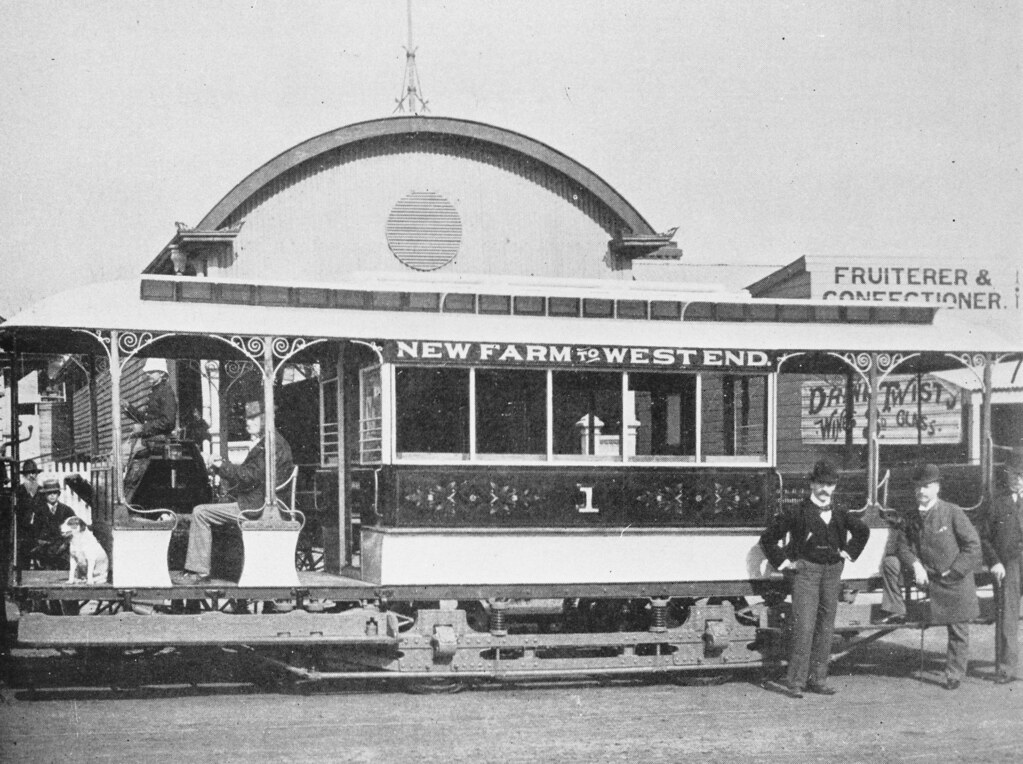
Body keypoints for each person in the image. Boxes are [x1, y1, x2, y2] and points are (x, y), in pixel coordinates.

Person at [759, 460, 870, 698]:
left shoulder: (840, 512)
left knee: (826, 627)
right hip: (806, 574)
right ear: (811, 484)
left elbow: (863, 532)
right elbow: (767, 539)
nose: (824, 489)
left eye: (829, 484)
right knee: (804, 626)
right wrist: (784, 563)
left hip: (832, 573)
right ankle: (796, 682)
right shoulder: (797, 511)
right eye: (820, 483)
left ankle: (818, 680)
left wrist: (848, 553)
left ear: (835, 487)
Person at [879, 463, 981, 690]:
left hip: (955, 580)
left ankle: (954, 674)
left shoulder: (952, 512)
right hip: (929, 579)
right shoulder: (911, 516)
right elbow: (903, 547)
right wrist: (916, 565)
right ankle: (897, 610)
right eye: (918, 487)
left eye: (926, 487)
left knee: (958, 630)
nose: (921, 492)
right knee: (891, 563)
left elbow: (973, 546)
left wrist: (955, 571)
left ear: (937, 488)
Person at [180, 400, 294, 583]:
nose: (247, 422)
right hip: (260, 502)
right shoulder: (272, 442)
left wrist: (222, 465)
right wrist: (223, 467)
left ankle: (198, 571)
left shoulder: (271, 445)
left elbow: (249, 476)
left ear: (265, 420)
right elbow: (252, 475)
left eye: (253, 418)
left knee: (200, 512)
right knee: (216, 506)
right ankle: (221, 569)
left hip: (257, 507)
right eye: (247, 418)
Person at [980, 450, 1023, 684]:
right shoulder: (996, 503)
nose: (1017, 479)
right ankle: (1007, 668)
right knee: (1007, 614)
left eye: (1021, 475)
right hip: (1009, 565)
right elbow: (985, 538)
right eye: (1014, 474)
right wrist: (995, 562)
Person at [23, 478, 78, 569]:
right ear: (45, 495)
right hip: (45, 550)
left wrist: (65, 544)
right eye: (49, 493)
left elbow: (74, 529)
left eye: (54, 493)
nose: (52, 495)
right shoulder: (39, 511)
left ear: (59, 494)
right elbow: (35, 532)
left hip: (63, 550)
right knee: (45, 572)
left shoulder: (67, 510)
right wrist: (40, 544)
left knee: (64, 570)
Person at [123, 357, 178, 443]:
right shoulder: (155, 390)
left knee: (124, 450)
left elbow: (168, 422)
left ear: (161, 373)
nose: (148, 374)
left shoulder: (166, 391)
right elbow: (147, 419)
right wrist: (129, 407)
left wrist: (143, 428)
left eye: (151, 372)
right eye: (147, 372)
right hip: (151, 439)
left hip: (160, 441)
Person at [14, 459, 46, 568]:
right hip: (23, 529)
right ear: (24, 475)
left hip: (38, 528)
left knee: (40, 557)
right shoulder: (19, 490)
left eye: (34, 473)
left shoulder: (41, 490)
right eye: (28, 473)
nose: (32, 476)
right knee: (23, 556)